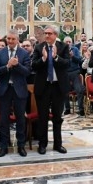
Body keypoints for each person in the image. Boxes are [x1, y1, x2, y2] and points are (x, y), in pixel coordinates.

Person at [0, 30, 30, 157]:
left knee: (20, 119)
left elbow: (27, 72)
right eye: (9, 38)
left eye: (13, 39)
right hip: (4, 89)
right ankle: (3, 146)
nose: (11, 41)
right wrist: (7, 66)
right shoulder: (0, 52)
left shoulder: (24, 53)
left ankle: (21, 146)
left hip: (19, 90)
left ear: (17, 40)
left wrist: (17, 65)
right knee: (3, 119)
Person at [32, 26, 70, 154]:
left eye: (49, 33)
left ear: (55, 34)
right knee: (42, 117)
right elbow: (34, 66)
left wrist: (55, 57)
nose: (47, 35)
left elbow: (67, 64)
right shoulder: (38, 47)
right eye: (45, 33)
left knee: (57, 117)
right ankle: (42, 144)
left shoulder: (63, 47)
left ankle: (58, 144)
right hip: (43, 86)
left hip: (58, 86)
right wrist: (43, 59)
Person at [63, 37, 84, 116]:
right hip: (65, 73)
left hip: (75, 72)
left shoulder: (75, 49)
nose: (68, 43)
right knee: (65, 91)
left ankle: (81, 109)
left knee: (79, 90)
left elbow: (79, 60)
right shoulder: (61, 50)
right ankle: (67, 109)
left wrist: (72, 56)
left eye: (69, 42)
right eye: (66, 42)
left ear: (72, 43)